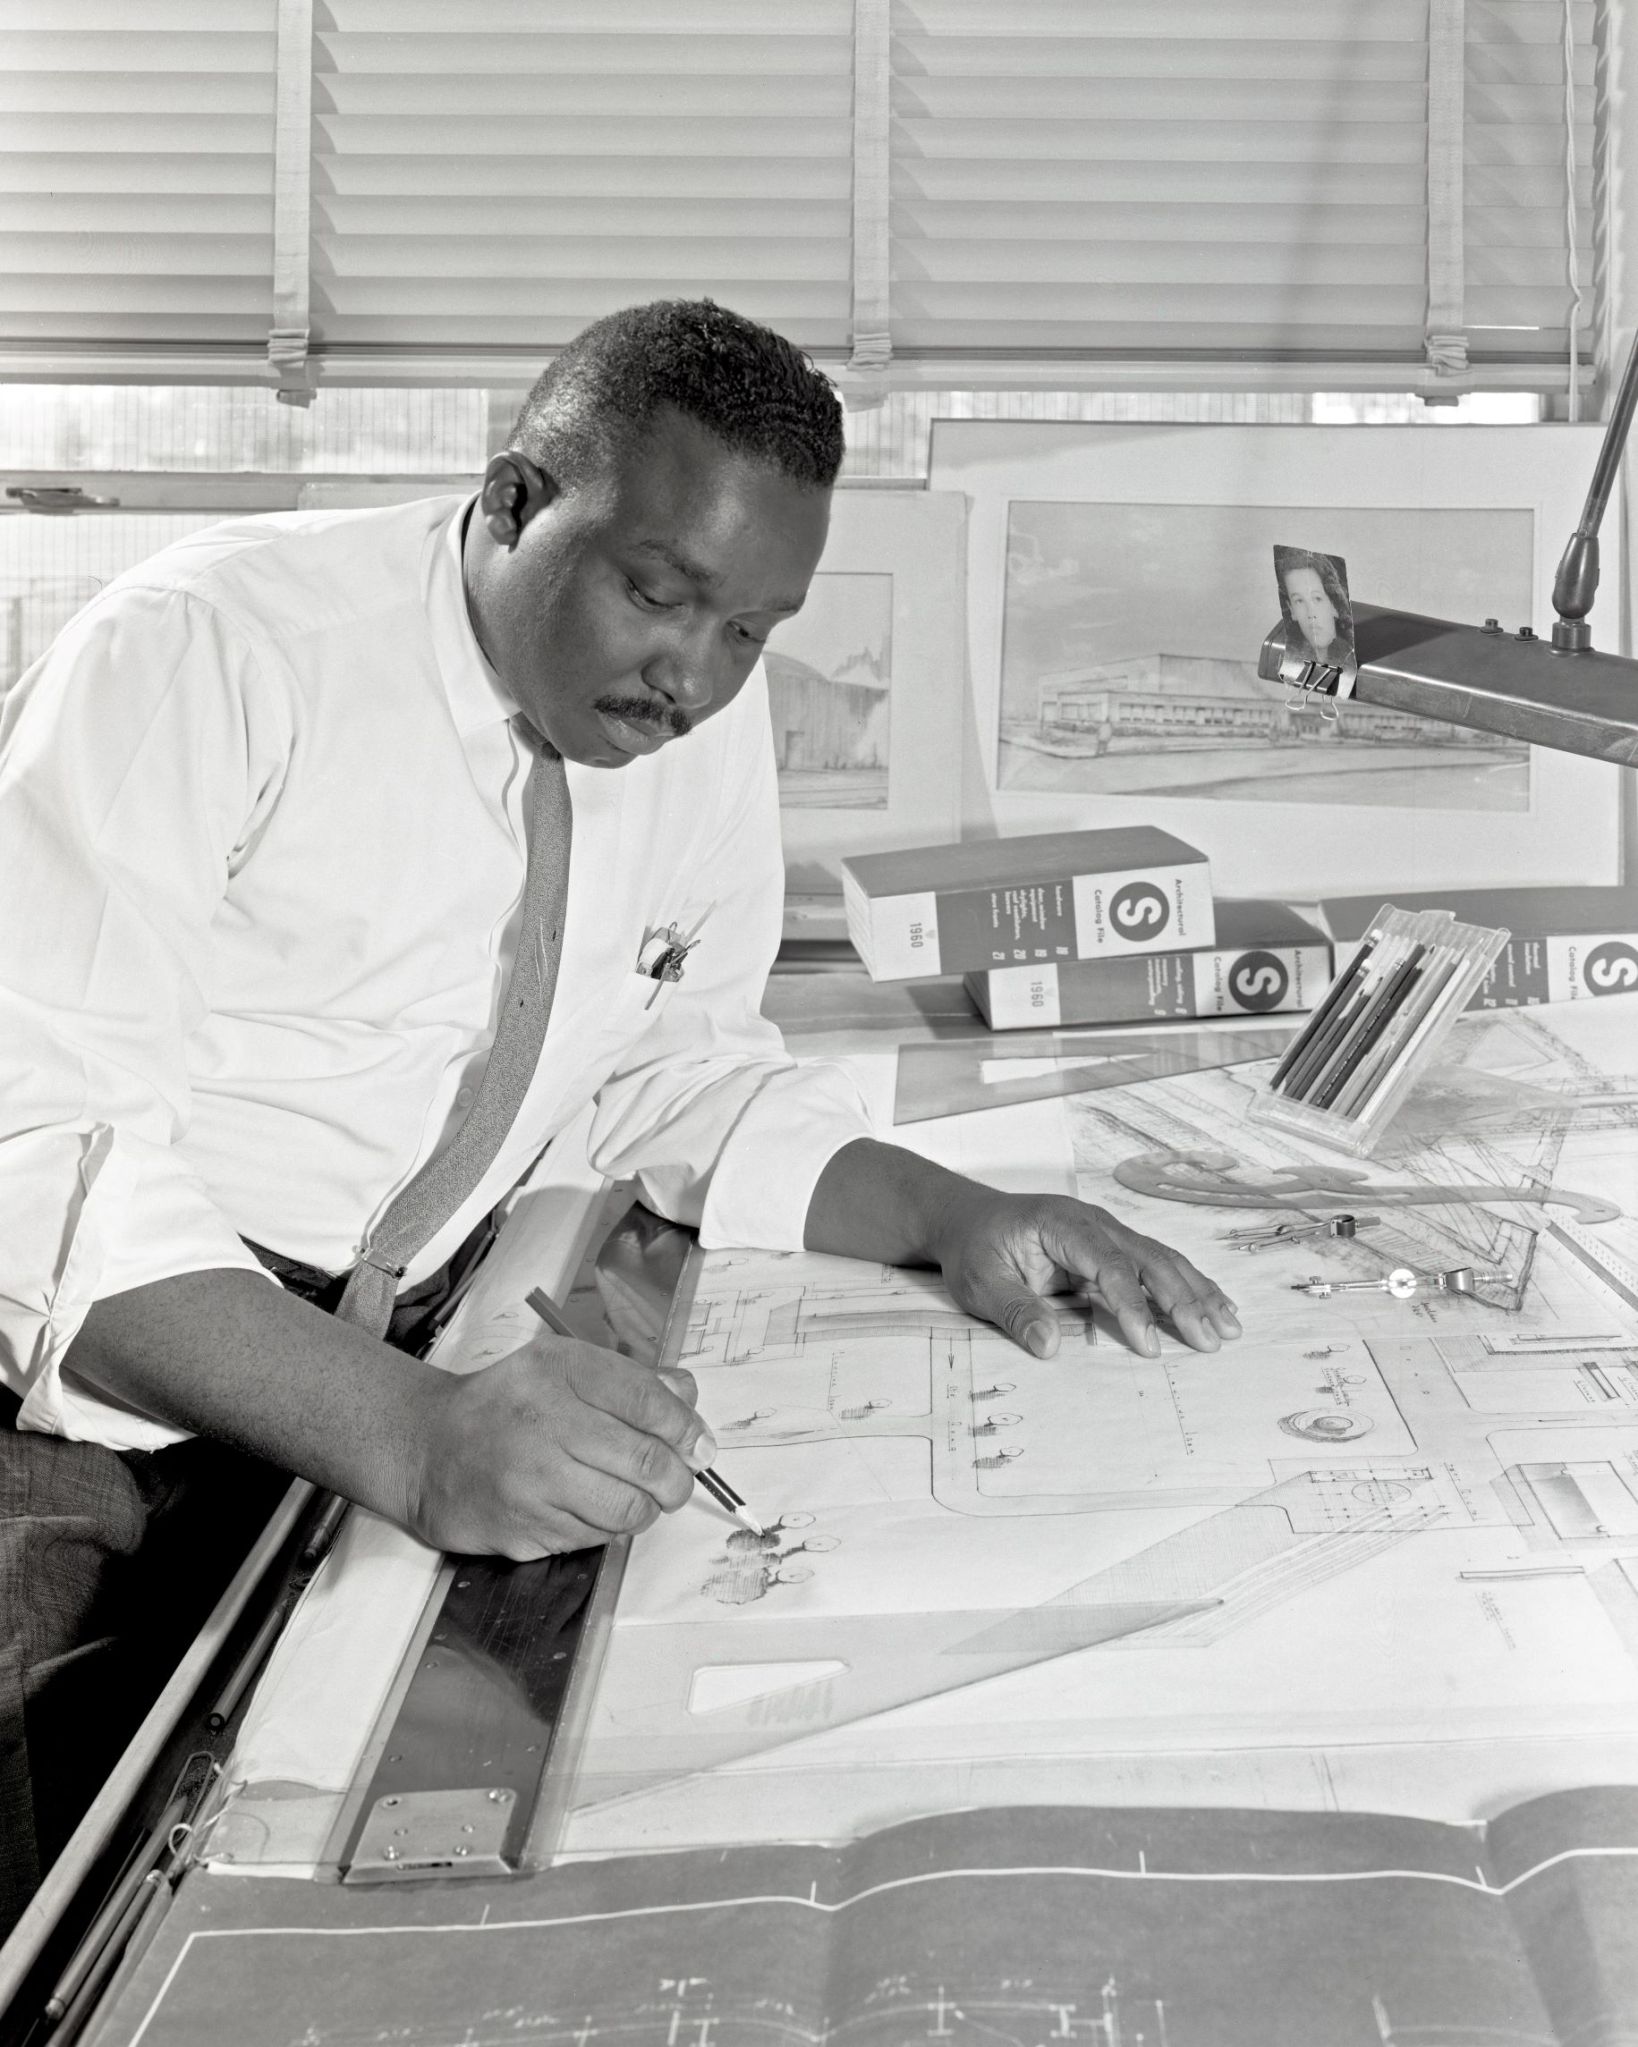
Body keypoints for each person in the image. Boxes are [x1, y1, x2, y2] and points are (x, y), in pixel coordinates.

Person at [0, 300, 1240, 1908]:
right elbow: (33, 1152)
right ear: (515, 501)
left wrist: (950, 1210)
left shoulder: (679, 725)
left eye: (751, 631)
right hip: (80, 1400)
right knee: (49, 1887)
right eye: (659, 594)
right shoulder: (213, 650)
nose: (696, 675)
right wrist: (414, 1430)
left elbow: (666, 1067)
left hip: (376, 1363)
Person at [1277, 548, 1353, 667]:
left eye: (1317, 599)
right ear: (1292, 610)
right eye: (1299, 601)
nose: (1311, 613)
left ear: (1334, 604)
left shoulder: (1350, 658)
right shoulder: (1286, 657)